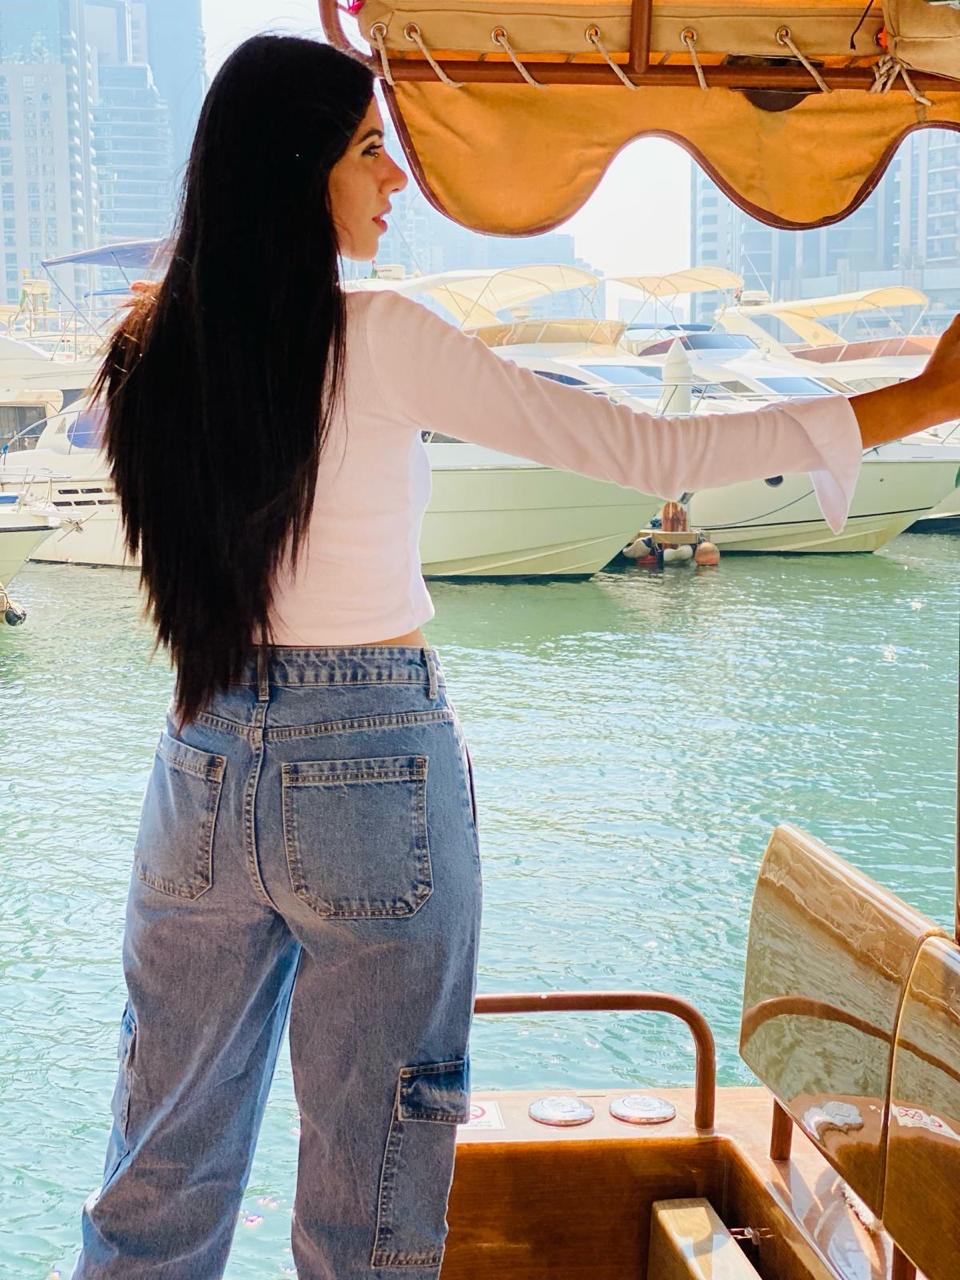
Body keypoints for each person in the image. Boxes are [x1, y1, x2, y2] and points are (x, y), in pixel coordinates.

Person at [73, 32, 960, 1280]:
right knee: (372, 1207)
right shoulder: (380, 335)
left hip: (200, 765)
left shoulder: (146, 356)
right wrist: (919, 399)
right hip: (372, 767)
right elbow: (652, 454)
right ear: (294, 172)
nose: (395, 178)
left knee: (154, 1182)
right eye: (370, 150)